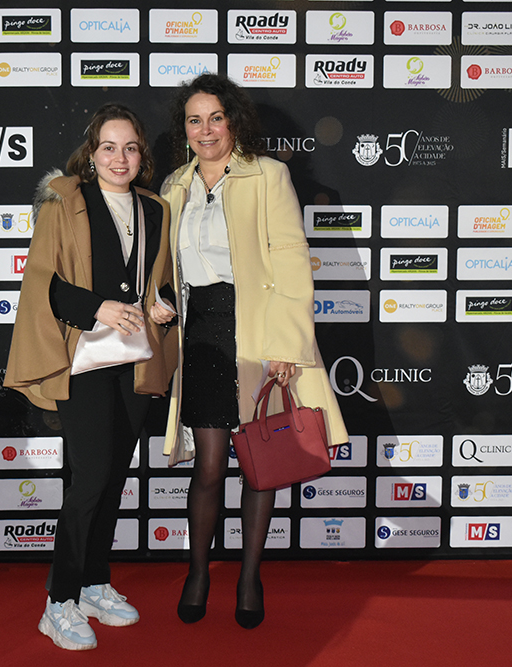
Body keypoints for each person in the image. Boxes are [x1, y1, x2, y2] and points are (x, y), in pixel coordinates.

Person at [160, 74, 349, 629]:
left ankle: (248, 577)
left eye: (215, 118)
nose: (206, 130)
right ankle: (198, 573)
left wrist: (285, 344)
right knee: (209, 467)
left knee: (258, 464)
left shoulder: (268, 174)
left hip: (257, 332)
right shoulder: (175, 184)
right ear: (184, 129)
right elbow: (165, 267)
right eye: (195, 120)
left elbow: (290, 258)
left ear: (233, 121)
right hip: (200, 335)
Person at [4, 103, 178, 651]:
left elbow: (160, 280)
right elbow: (45, 284)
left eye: (130, 148)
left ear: (141, 154)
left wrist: (162, 305)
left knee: (114, 478)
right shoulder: (66, 201)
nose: (119, 158)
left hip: (135, 359)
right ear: (92, 152)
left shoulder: (155, 208)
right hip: (83, 360)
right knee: (91, 478)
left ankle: (94, 583)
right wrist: (97, 306)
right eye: (108, 147)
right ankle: (59, 600)